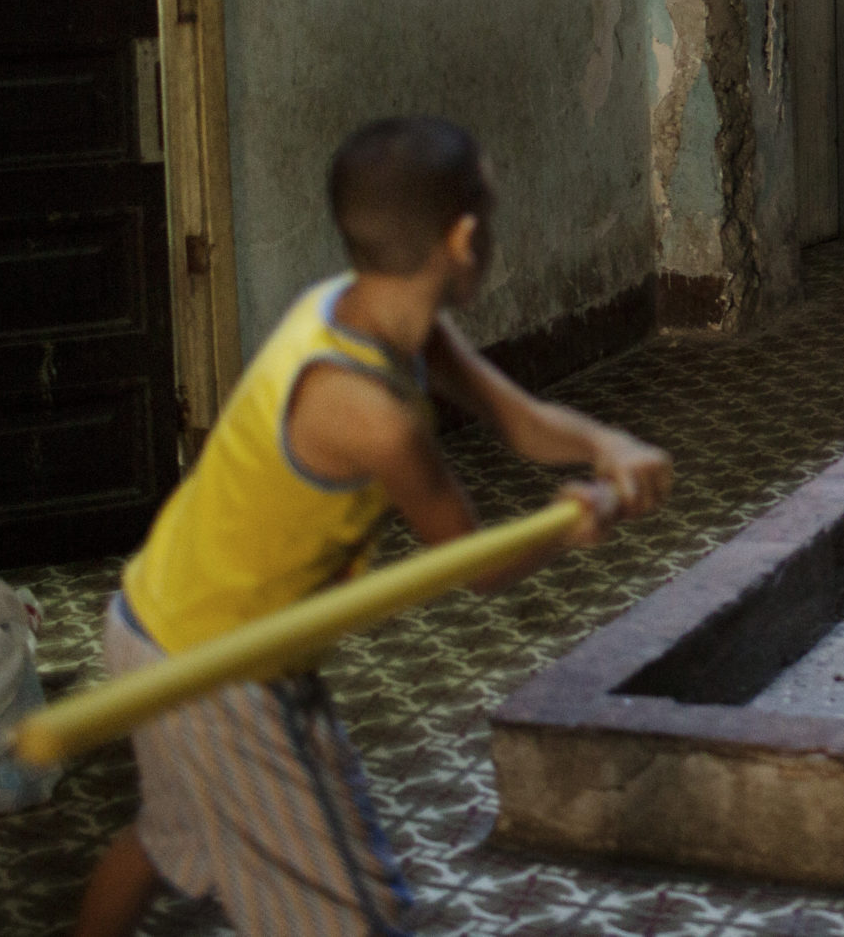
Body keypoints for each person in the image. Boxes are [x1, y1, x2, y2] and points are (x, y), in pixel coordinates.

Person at [76, 116, 672, 937]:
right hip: (218, 668)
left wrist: (606, 443)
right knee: (355, 912)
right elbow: (478, 566)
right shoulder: (370, 414)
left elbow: (521, 419)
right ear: (463, 237)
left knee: (168, 842)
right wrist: (575, 518)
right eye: (490, 216)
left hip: (154, 621)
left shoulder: (355, 310)